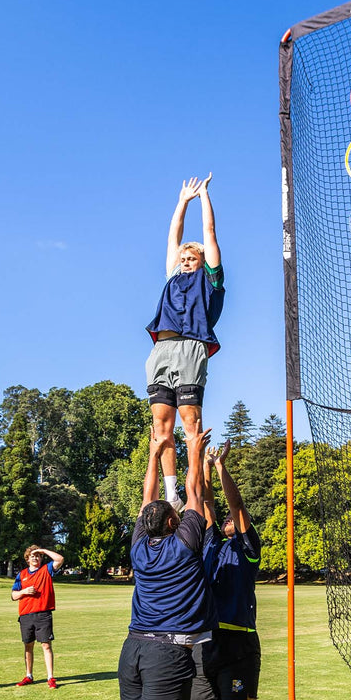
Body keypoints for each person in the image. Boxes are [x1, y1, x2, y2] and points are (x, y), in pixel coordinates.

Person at [99, 426, 219, 700]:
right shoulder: (186, 542)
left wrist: (154, 455)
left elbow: (151, 496)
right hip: (168, 655)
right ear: (171, 521)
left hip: (132, 648)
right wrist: (192, 449)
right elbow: (193, 490)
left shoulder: (138, 547)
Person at [190, 440, 266, 700]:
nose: (229, 522)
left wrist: (220, 468)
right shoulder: (211, 545)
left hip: (239, 645)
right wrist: (202, 464)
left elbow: (234, 507)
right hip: (204, 641)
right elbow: (203, 503)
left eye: (235, 521)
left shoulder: (247, 549)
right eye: (225, 522)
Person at [145, 175, 224, 512]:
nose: (185, 260)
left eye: (191, 257)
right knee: (161, 428)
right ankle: (172, 493)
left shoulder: (210, 280)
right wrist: (182, 201)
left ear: (202, 261)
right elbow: (172, 237)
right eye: (183, 258)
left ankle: (195, 491)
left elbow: (210, 234)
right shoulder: (173, 277)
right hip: (161, 351)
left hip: (191, 349)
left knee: (190, 423)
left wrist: (203, 196)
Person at [11, 545, 64, 689]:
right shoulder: (21, 574)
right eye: (32, 556)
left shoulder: (46, 570)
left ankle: (50, 677)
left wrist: (43, 550)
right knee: (28, 646)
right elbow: (13, 595)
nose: (35, 558)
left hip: (43, 614)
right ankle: (29, 675)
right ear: (27, 559)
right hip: (26, 614)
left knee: (46, 645)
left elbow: (59, 559)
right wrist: (24, 591)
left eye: (37, 556)